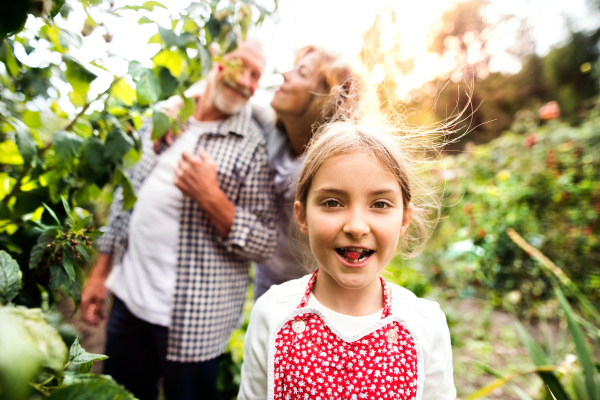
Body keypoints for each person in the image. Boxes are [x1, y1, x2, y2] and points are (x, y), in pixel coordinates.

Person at [81, 38, 277, 400]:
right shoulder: (165, 119)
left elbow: (265, 241)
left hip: (194, 322)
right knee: (121, 393)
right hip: (128, 302)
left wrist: (212, 197)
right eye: (243, 67)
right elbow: (127, 196)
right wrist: (99, 274)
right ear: (216, 59)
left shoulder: (250, 144)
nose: (249, 83)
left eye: (257, 76)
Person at [238, 119, 456, 399]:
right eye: (332, 202)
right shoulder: (272, 313)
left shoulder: (426, 326)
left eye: (379, 204)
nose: (356, 226)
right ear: (302, 215)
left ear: (404, 218)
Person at [252, 45, 372, 299]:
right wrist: (175, 104)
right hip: (269, 277)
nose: (285, 74)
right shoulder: (278, 134)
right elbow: (243, 100)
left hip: (318, 289)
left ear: (325, 98)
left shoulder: (335, 164)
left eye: (301, 73)